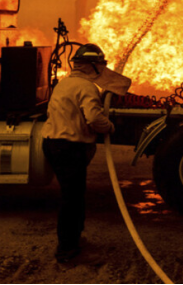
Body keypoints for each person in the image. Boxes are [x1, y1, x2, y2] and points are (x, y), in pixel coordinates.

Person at [40, 43, 131, 263]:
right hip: (69, 147)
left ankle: (75, 238)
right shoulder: (87, 87)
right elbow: (94, 118)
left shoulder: (64, 84)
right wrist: (109, 127)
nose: (102, 69)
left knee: (74, 194)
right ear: (91, 66)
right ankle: (66, 249)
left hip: (52, 143)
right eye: (100, 65)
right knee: (72, 199)